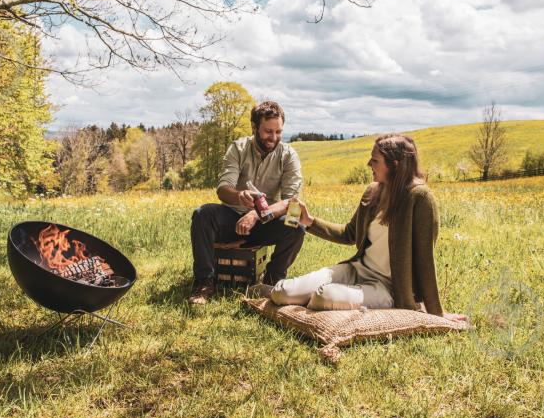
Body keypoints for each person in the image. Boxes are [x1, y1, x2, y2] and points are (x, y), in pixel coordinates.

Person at [269, 133, 465, 321]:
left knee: (322, 296)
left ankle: (329, 301)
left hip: (388, 287)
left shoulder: (420, 198)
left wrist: (437, 313)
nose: (369, 164)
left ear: (394, 164)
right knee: (282, 293)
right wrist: (309, 222)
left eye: (375, 160)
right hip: (357, 270)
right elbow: (349, 234)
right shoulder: (373, 191)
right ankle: (267, 289)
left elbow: (425, 259)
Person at [188, 101, 305, 304]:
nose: (274, 137)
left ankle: (271, 280)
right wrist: (238, 195)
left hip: (265, 222)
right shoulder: (238, 148)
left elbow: (292, 201)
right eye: (268, 131)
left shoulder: (288, 155)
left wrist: (257, 214)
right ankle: (204, 282)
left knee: (297, 226)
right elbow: (223, 190)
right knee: (202, 214)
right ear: (254, 127)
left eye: (278, 132)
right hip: (233, 219)